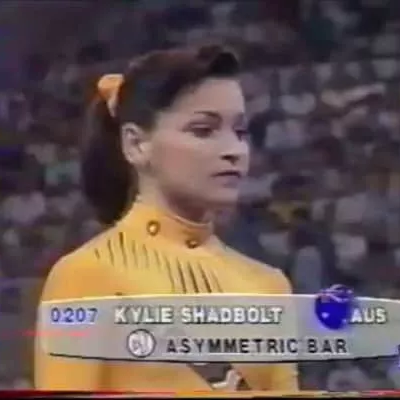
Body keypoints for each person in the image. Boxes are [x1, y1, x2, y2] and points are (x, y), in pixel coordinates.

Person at [34, 45, 298, 392]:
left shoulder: (269, 285)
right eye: (203, 130)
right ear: (136, 144)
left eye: (240, 132)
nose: (233, 150)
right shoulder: (87, 274)